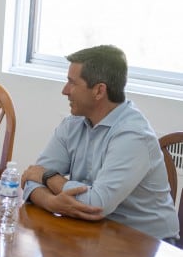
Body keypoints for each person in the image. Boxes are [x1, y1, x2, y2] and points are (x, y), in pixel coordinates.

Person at [21, 45, 179, 241]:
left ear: (98, 90)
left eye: (72, 83)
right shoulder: (73, 123)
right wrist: (52, 203)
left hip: (146, 245)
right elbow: (29, 181)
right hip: (95, 233)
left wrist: (48, 177)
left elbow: (95, 204)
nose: (65, 91)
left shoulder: (133, 135)